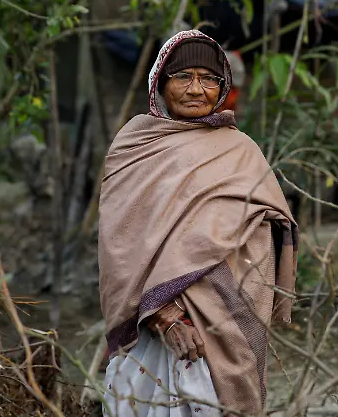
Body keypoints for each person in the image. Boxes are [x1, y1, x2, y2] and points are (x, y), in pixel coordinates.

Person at [99, 30, 298, 416]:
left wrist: (209, 301)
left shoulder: (241, 151)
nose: (196, 89)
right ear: (160, 83)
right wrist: (166, 317)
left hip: (225, 322)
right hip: (151, 329)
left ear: (223, 88)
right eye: (183, 77)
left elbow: (262, 237)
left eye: (209, 79)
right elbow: (119, 247)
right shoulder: (134, 147)